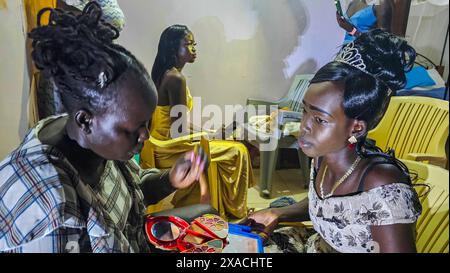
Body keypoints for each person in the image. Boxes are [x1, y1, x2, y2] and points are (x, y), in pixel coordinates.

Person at [0, 2, 215, 253]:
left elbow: (133, 191)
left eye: (146, 122)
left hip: (134, 235)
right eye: (134, 128)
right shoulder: (53, 215)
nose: (145, 135)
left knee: (210, 219)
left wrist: (169, 180)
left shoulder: (87, 135)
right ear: (85, 120)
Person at [241, 29, 422, 253]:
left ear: (356, 127)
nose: (304, 125)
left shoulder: (382, 186)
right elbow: (329, 207)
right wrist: (278, 213)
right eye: (305, 111)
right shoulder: (322, 158)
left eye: (319, 119)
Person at [140, 25, 255, 220]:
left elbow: (177, 124)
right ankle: (235, 211)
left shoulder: (163, 73)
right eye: (188, 44)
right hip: (170, 148)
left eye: (194, 44)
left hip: (160, 141)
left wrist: (209, 133)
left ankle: (223, 206)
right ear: (173, 49)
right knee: (239, 151)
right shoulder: (176, 78)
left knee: (223, 142)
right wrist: (212, 135)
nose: (194, 49)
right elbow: (178, 131)